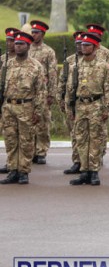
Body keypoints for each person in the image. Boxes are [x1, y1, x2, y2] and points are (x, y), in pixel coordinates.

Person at [66, 33, 109, 186]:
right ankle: (84, 171)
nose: (83, 47)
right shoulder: (75, 66)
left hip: (96, 105)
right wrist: (69, 108)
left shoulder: (103, 66)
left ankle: (94, 172)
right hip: (80, 105)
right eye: (82, 45)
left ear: (95, 47)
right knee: (81, 139)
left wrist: (107, 108)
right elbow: (70, 89)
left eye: (87, 45)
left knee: (95, 139)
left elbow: (108, 89)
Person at [0, 32, 45, 185]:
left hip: (26, 107)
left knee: (26, 141)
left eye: (21, 44)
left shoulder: (36, 66)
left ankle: (23, 171)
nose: (17, 46)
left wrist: (38, 111)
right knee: (11, 140)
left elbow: (41, 91)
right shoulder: (7, 65)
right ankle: (13, 170)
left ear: (28, 46)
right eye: (16, 44)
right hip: (9, 107)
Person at [28, 20, 57, 165]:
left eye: (36, 33)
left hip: (43, 91)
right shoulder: (26, 48)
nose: (34, 35)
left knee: (42, 122)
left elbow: (52, 73)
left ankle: (41, 151)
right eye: (32, 32)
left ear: (43, 34)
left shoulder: (48, 51)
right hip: (27, 92)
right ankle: (30, 150)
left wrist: (51, 93)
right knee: (28, 121)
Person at [59, 32, 84, 175]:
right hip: (71, 102)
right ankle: (77, 161)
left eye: (82, 44)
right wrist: (61, 100)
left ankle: (88, 163)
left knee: (86, 135)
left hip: (87, 103)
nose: (79, 46)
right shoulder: (68, 61)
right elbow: (62, 81)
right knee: (74, 134)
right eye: (77, 44)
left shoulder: (95, 62)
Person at [0, 27, 18, 174]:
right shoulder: (2, 59)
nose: (9, 43)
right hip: (5, 101)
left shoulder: (24, 60)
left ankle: (19, 166)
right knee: (8, 135)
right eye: (7, 41)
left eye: (12, 41)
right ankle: (11, 163)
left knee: (20, 136)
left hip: (20, 102)